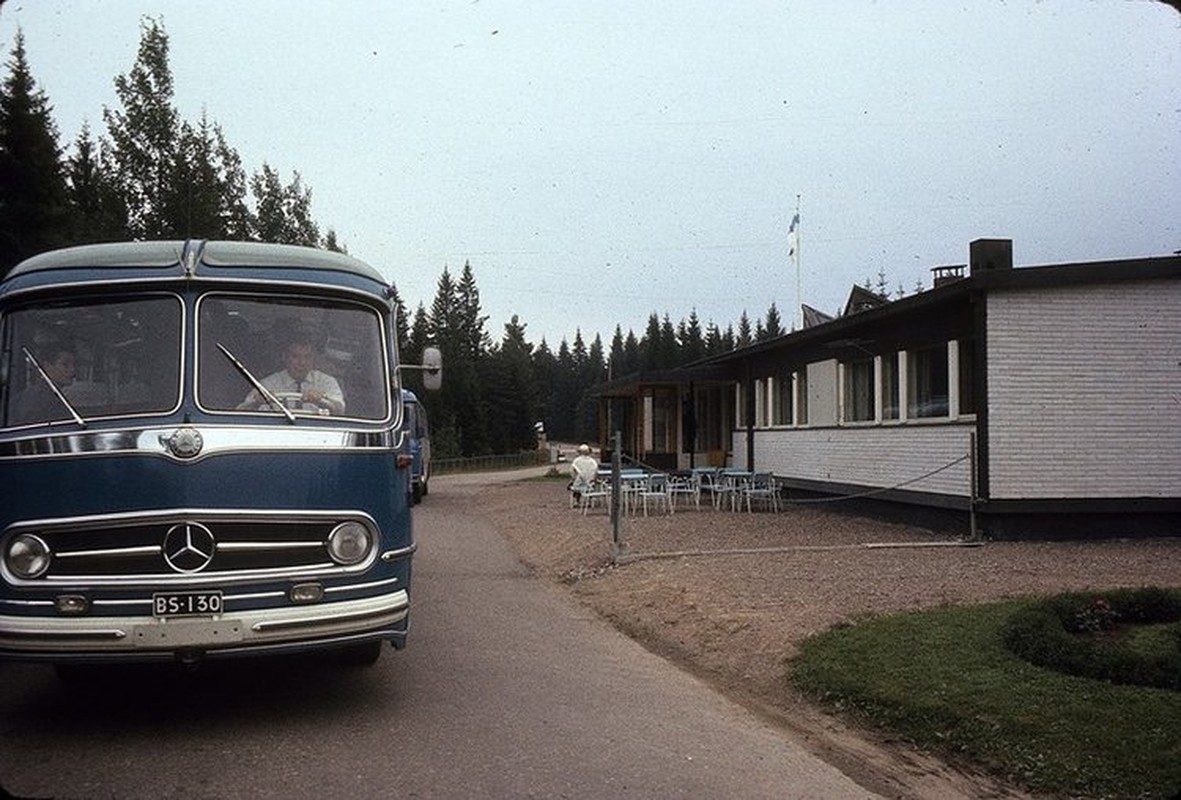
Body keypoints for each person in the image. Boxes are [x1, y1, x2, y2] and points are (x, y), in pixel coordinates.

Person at [238, 336, 345, 415]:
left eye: (307, 357)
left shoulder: (327, 381)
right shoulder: (268, 383)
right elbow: (241, 412)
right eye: (295, 356)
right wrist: (256, 401)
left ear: (314, 359)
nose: (302, 362)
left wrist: (323, 398)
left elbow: (341, 411)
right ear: (284, 357)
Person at [10, 342, 78, 425]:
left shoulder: (53, 396)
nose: (72, 370)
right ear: (47, 366)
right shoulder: (37, 399)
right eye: (65, 364)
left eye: (74, 365)